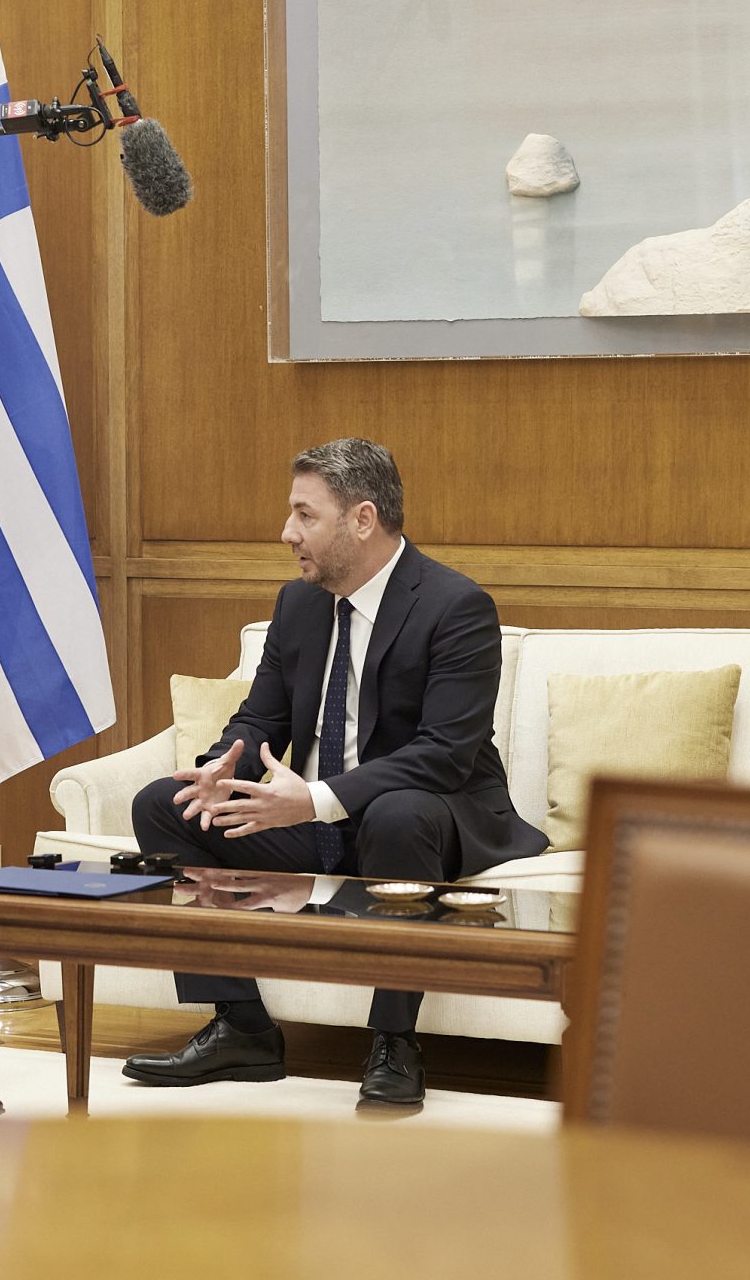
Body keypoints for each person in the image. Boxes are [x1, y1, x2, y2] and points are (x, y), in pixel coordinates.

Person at [123, 437, 546, 1108]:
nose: (286, 532)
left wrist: (316, 798)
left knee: (398, 814)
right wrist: (219, 769)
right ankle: (241, 1027)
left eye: (304, 515)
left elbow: (445, 753)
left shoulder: (455, 606)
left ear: (362, 519)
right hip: (317, 823)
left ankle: (393, 1042)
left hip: (428, 816)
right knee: (166, 804)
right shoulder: (298, 605)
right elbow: (260, 718)